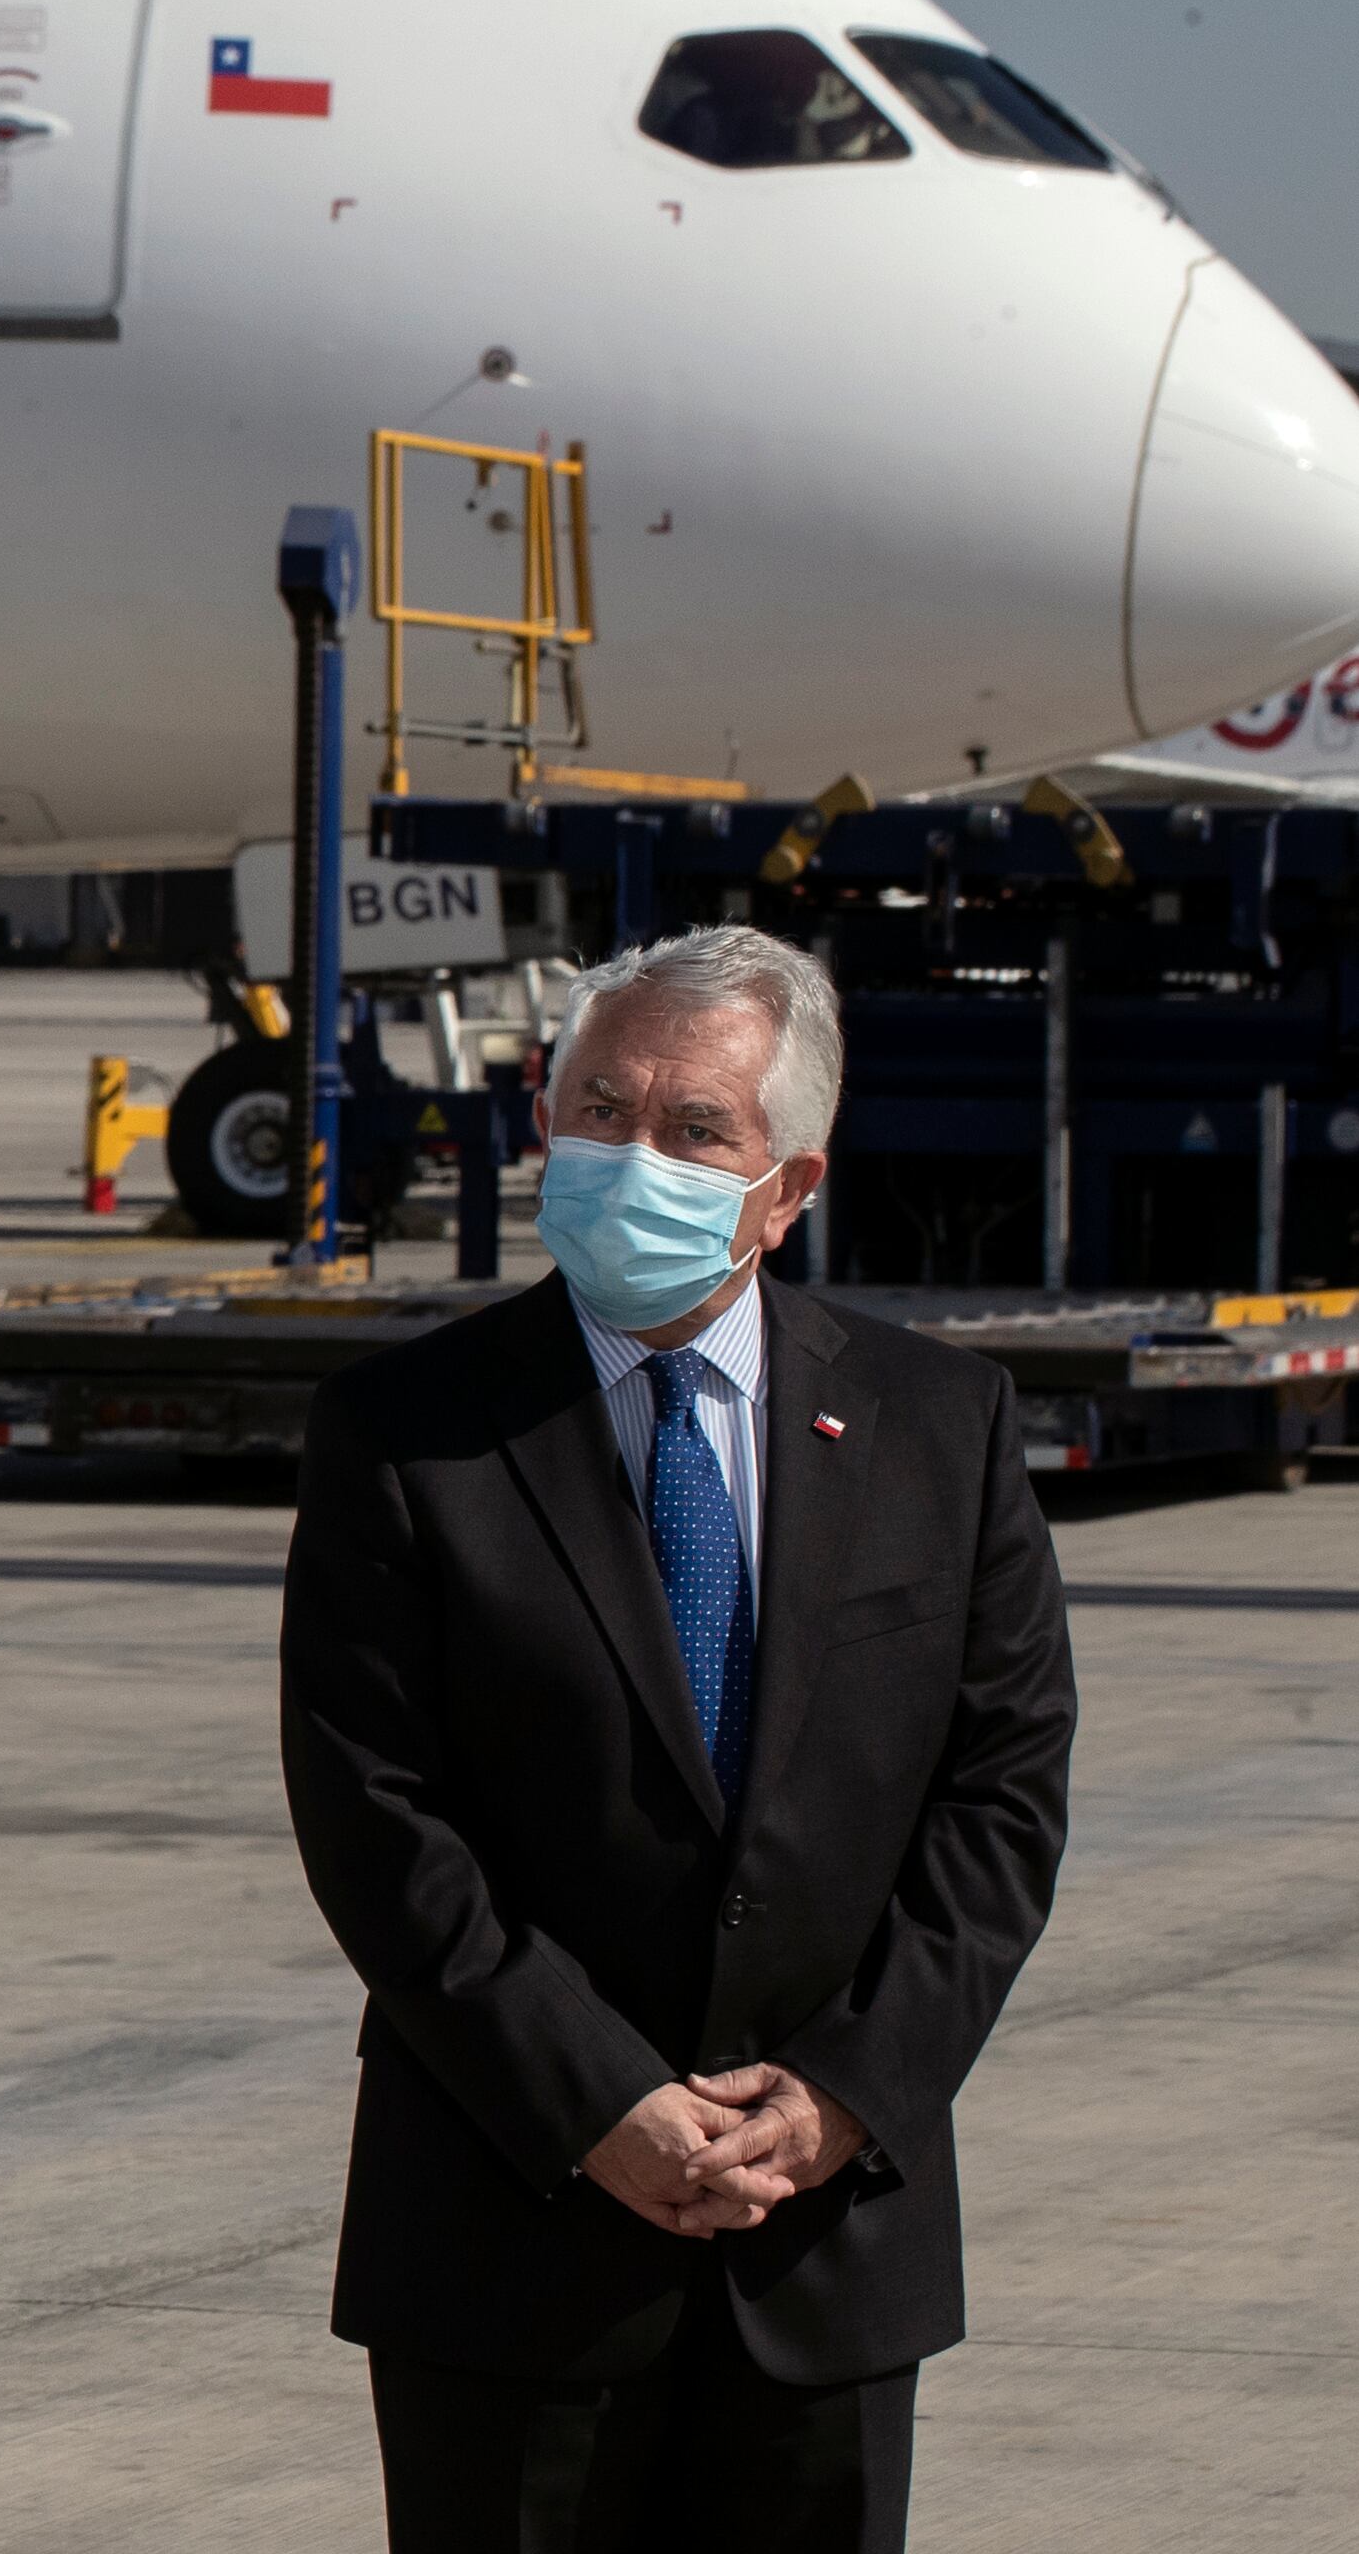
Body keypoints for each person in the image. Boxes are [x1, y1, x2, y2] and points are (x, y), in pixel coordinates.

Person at [279, 925, 1073, 2554]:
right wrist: (597, 2107)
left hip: (823, 2241)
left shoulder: (942, 1426)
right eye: (598, 1109)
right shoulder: (405, 1436)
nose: (629, 1157)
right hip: (514, 2233)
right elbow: (378, 1819)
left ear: (788, 1188)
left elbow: (1000, 1804)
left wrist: (846, 2096)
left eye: (694, 1130)